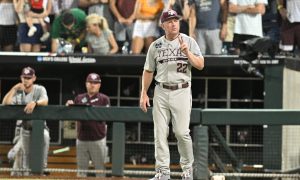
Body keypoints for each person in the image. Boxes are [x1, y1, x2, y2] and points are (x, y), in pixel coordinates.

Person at [139, 9, 204, 180]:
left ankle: (188, 170)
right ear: (163, 25)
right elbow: (148, 70)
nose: (173, 23)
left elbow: (200, 65)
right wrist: (144, 93)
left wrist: (187, 53)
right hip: (160, 91)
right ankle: (163, 172)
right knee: (159, 133)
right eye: (169, 21)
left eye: (176, 20)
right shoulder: (155, 45)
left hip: (181, 90)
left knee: (182, 132)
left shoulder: (189, 41)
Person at [2, 66, 50, 176]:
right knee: (21, 158)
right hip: (24, 129)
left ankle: (43, 167)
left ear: (34, 78)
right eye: (24, 77)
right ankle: (25, 174)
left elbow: (45, 100)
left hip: (39, 128)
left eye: (29, 77)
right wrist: (14, 89)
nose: (26, 80)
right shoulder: (18, 91)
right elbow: (5, 103)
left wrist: (35, 103)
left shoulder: (39, 89)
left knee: (45, 136)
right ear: (21, 78)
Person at [66, 73, 110, 178]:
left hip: (98, 139)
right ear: (86, 84)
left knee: (100, 169)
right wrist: (69, 106)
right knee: (81, 171)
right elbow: (71, 115)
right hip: (82, 139)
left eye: (95, 83)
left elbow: (107, 117)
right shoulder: (79, 98)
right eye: (90, 82)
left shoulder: (104, 99)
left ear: (99, 84)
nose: (93, 85)